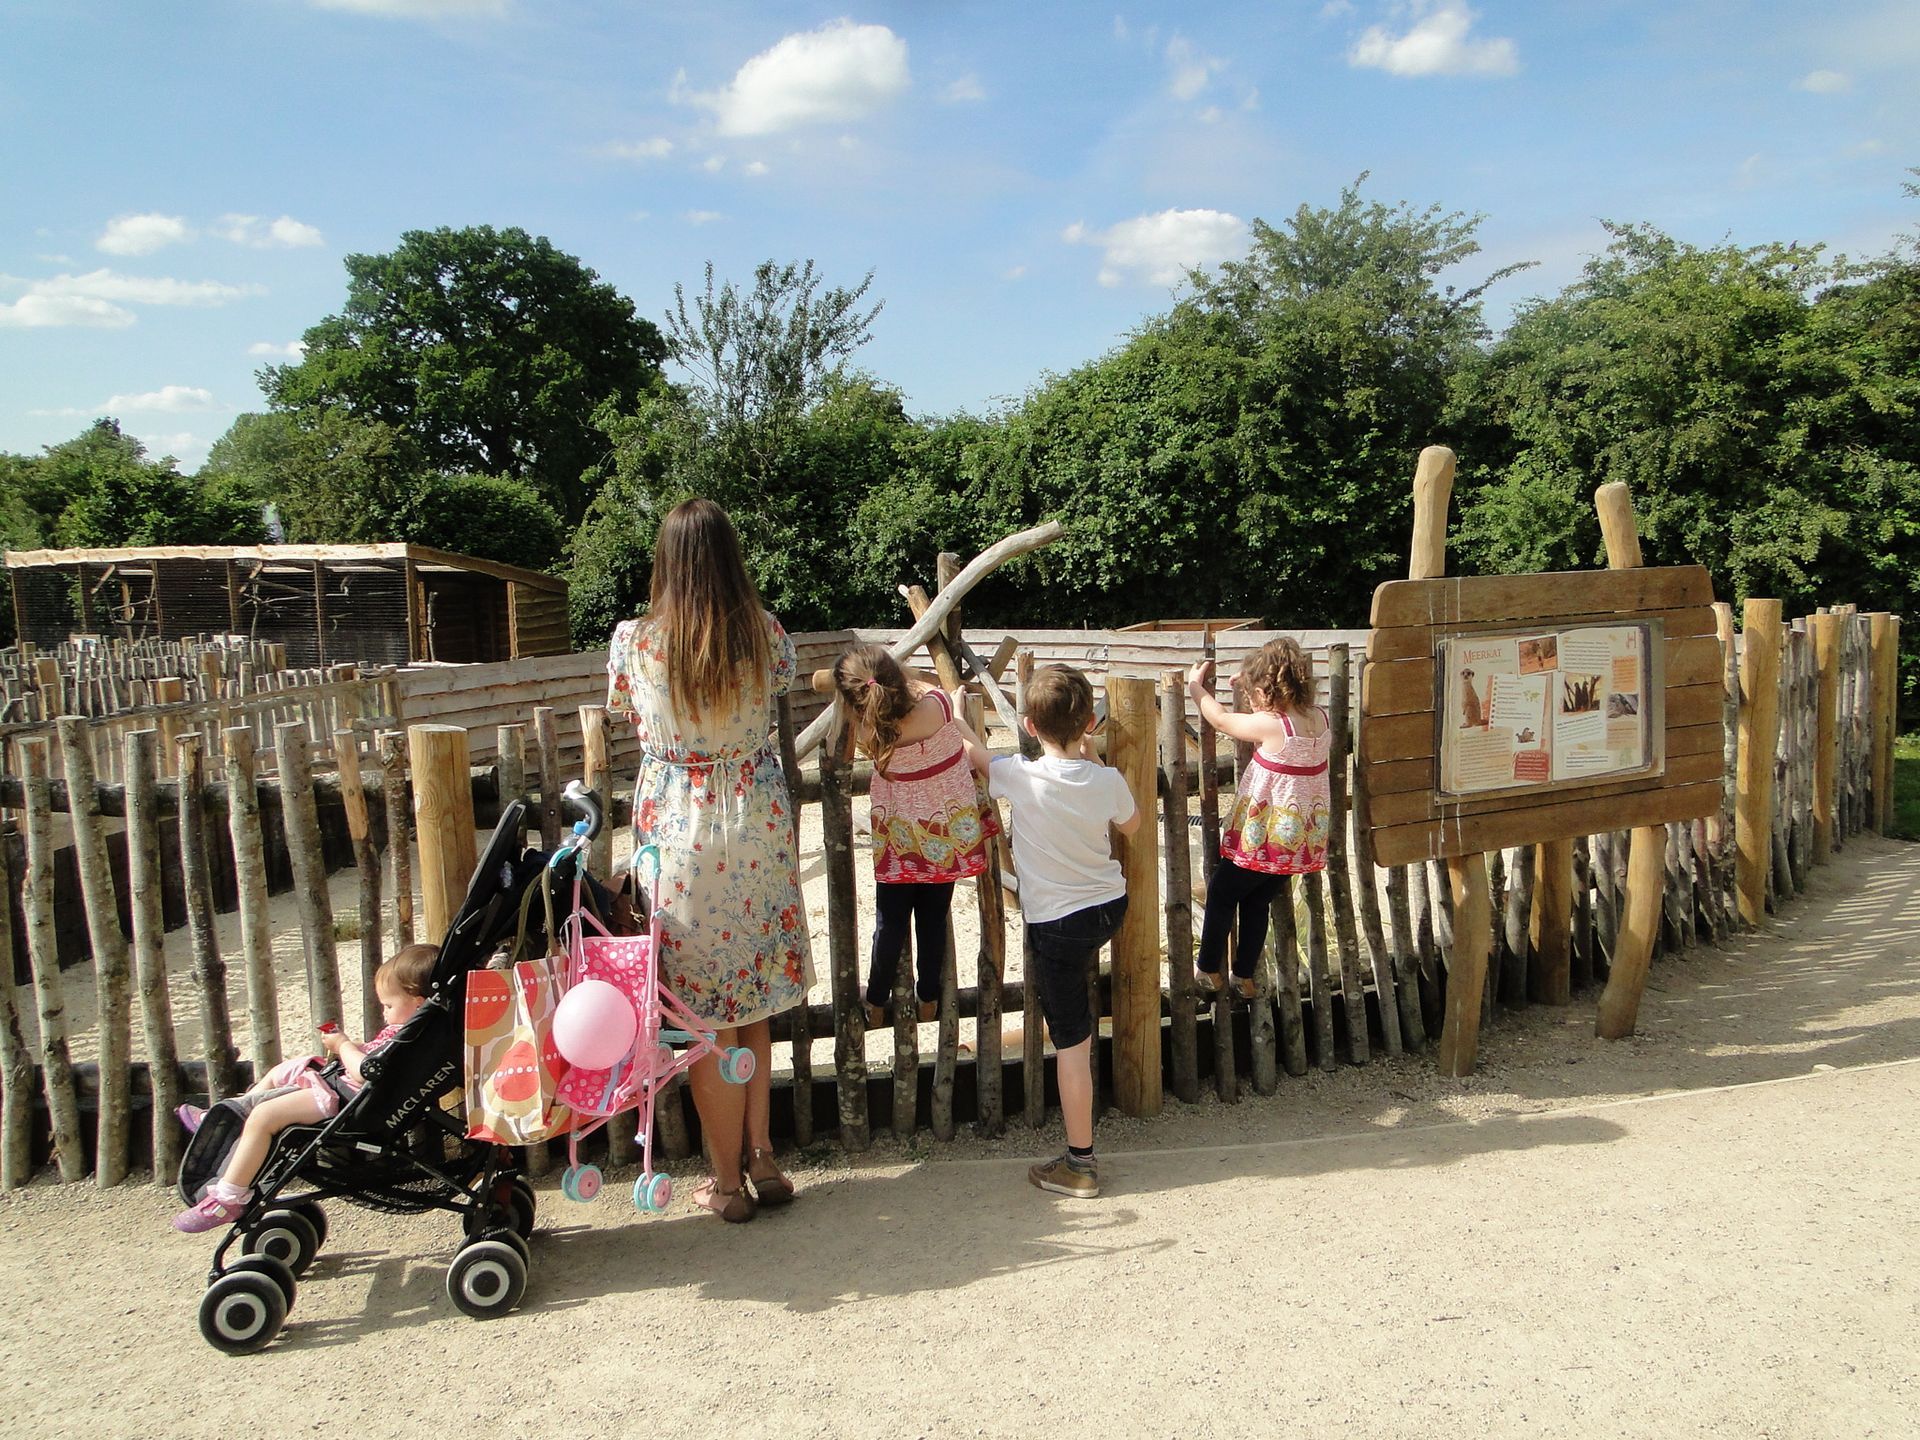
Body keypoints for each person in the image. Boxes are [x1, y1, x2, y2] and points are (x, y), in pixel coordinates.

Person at [606, 498, 811, 1223]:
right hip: (756, 827)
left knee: (702, 1020)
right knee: (752, 1003)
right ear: (730, 555)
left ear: (666, 559)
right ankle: (762, 1157)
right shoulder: (763, 634)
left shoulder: (637, 640)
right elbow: (782, 685)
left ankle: (726, 1184)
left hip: (681, 839)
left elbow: (625, 712)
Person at [972, 664, 1138, 1199]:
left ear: (1027, 724)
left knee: (1072, 1043)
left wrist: (955, 716)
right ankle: (1079, 1155)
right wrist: (1092, 757)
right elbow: (1132, 826)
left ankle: (1080, 1163)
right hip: (1108, 908)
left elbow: (976, 756)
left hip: (1058, 923)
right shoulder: (1107, 779)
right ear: (1089, 721)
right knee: (1076, 1020)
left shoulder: (1022, 775)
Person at [172, 944, 437, 1232]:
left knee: (264, 1117)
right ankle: (225, 1116)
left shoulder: (410, 1035)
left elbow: (366, 1073)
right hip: (341, 1088)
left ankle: (229, 1197)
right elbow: (376, 1059)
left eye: (389, 1006)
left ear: (419, 1003)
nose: (384, 1013)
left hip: (346, 1099)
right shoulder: (411, 1033)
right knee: (281, 1072)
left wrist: (343, 1045)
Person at [832, 644, 999, 1031]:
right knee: (933, 917)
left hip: (900, 844)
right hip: (942, 838)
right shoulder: (938, 707)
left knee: (889, 921)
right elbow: (931, 692)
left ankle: (875, 999)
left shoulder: (869, 729)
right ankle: (928, 997)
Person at [1186, 638, 1331, 1004]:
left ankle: (1207, 968)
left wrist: (1195, 688)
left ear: (1268, 690)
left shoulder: (1273, 725)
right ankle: (1245, 976)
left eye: (1254, 692)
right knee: (1256, 902)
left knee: (1222, 892)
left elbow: (1219, 719)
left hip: (1264, 837)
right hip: (1296, 842)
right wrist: (1250, 680)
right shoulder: (1318, 719)